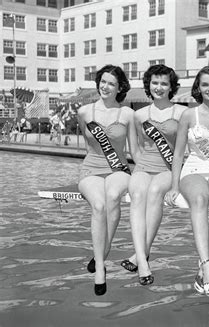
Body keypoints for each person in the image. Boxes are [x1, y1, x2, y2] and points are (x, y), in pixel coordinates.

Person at [165, 66, 209, 297]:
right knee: (199, 198)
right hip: (194, 168)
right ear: (198, 87)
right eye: (205, 84)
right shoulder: (189, 115)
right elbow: (178, 154)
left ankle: (203, 268)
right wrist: (175, 186)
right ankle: (207, 266)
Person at [121, 65, 187, 285]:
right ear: (149, 85)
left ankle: (140, 257)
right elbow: (136, 148)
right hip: (144, 166)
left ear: (171, 87)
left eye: (164, 83)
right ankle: (143, 257)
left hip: (170, 167)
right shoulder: (139, 115)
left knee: (156, 191)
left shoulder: (181, 113)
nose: (159, 87)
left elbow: (182, 148)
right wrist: (140, 168)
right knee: (138, 193)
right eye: (155, 83)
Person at [77, 65, 139, 296]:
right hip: (91, 169)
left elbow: (135, 150)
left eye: (111, 83)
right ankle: (101, 264)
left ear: (119, 87)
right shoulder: (84, 112)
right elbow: (87, 144)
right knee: (99, 205)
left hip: (119, 169)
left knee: (112, 196)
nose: (105, 86)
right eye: (103, 81)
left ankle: (102, 251)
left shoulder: (128, 114)